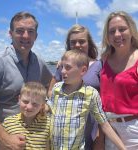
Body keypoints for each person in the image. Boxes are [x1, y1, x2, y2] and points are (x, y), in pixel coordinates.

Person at [0, 11, 52, 150]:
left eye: (30, 31)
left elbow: (51, 81)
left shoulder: (39, 62)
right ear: (10, 33)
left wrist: (46, 103)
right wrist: (4, 137)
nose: (25, 36)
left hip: (33, 140)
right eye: (20, 31)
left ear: (36, 36)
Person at [47, 49, 125, 150]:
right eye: (62, 67)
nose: (62, 71)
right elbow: (47, 111)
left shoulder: (91, 94)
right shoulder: (56, 88)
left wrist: (123, 148)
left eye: (68, 67)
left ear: (83, 70)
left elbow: (104, 124)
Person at [48, 24, 103, 149]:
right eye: (73, 42)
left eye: (82, 41)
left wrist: (101, 136)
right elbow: (51, 91)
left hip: (90, 129)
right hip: (64, 132)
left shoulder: (99, 65)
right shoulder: (64, 66)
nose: (77, 45)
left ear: (89, 43)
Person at [100, 11, 138, 150]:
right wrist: (63, 60)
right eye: (112, 31)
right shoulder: (105, 58)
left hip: (133, 130)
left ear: (132, 30)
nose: (117, 34)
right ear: (107, 36)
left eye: (122, 29)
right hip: (109, 129)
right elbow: (83, 65)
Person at [0, 82, 50, 150]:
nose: (29, 107)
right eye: (25, 102)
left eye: (35, 104)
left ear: (42, 106)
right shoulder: (8, 122)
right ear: (19, 99)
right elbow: (1, 146)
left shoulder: (48, 124)